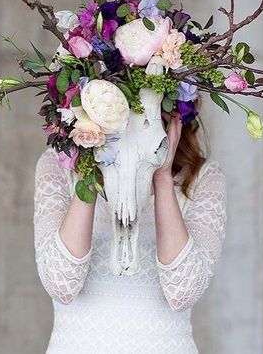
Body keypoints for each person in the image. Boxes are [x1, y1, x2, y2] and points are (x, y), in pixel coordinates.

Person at [33, 104, 227, 354]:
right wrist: (89, 167)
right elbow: (61, 285)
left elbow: (182, 292)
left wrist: (162, 175)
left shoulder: (203, 176)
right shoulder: (59, 164)